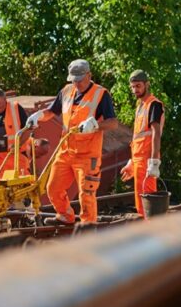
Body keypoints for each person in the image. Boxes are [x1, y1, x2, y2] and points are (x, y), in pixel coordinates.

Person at [27, 59, 118, 225]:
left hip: (87, 155)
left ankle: (88, 226)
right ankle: (65, 215)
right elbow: (51, 112)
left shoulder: (100, 94)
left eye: (80, 80)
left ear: (89, 75)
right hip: (66, 151)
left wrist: (95, 125)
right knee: (53, 188)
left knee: (86, 193)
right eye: (74, 80)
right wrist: (38, 116)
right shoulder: (66, 91)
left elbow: (113, 123)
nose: (76, 84)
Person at [120, 70, 164, 219]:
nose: (135, 90)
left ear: (147, 84)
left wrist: (154, 162)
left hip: (147, 160)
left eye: (138, 86)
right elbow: (138, 137)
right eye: (132, 87)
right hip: (139, 160)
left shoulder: (154, 104)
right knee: (140, 201)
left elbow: (156, 133)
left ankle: (152, 233)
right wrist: (132, 161)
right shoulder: (140, 106)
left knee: (148, 199)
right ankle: (146, 231)